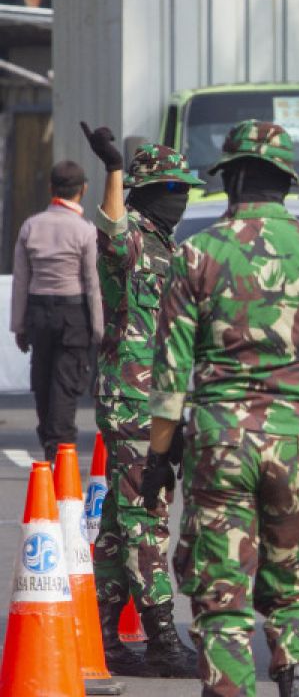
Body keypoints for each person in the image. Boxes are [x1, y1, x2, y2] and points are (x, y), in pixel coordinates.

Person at [142, 120, 299, 697]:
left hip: (221, 439)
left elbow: (170, 373)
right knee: (294, 585)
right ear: (287, 184)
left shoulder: (196, 253)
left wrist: (158, 457)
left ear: (233, 178)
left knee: (221, 591)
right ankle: (296, 673)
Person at [81, 123, 202, 678]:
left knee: (117, 524)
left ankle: (100, 633)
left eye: (184, 189)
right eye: (171, 189)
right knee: (147, 518)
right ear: (147, 192)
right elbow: (108, 227)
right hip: (133, 401)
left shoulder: (168, 246)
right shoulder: (131, 241)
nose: (180, 198)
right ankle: (160, 639)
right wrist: (112, 169)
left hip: (158, 402)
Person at [10, 159, 103, 460]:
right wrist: (99, 331)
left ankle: (50, 440)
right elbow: (92, 283)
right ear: (83, 190)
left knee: (42, 379)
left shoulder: (31, 226)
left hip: (38, 314)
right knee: (66, 383)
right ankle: (60, 449)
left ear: (51, 188)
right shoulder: (85, 231)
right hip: (73, 315)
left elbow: (21, 280)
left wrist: (19, 326)